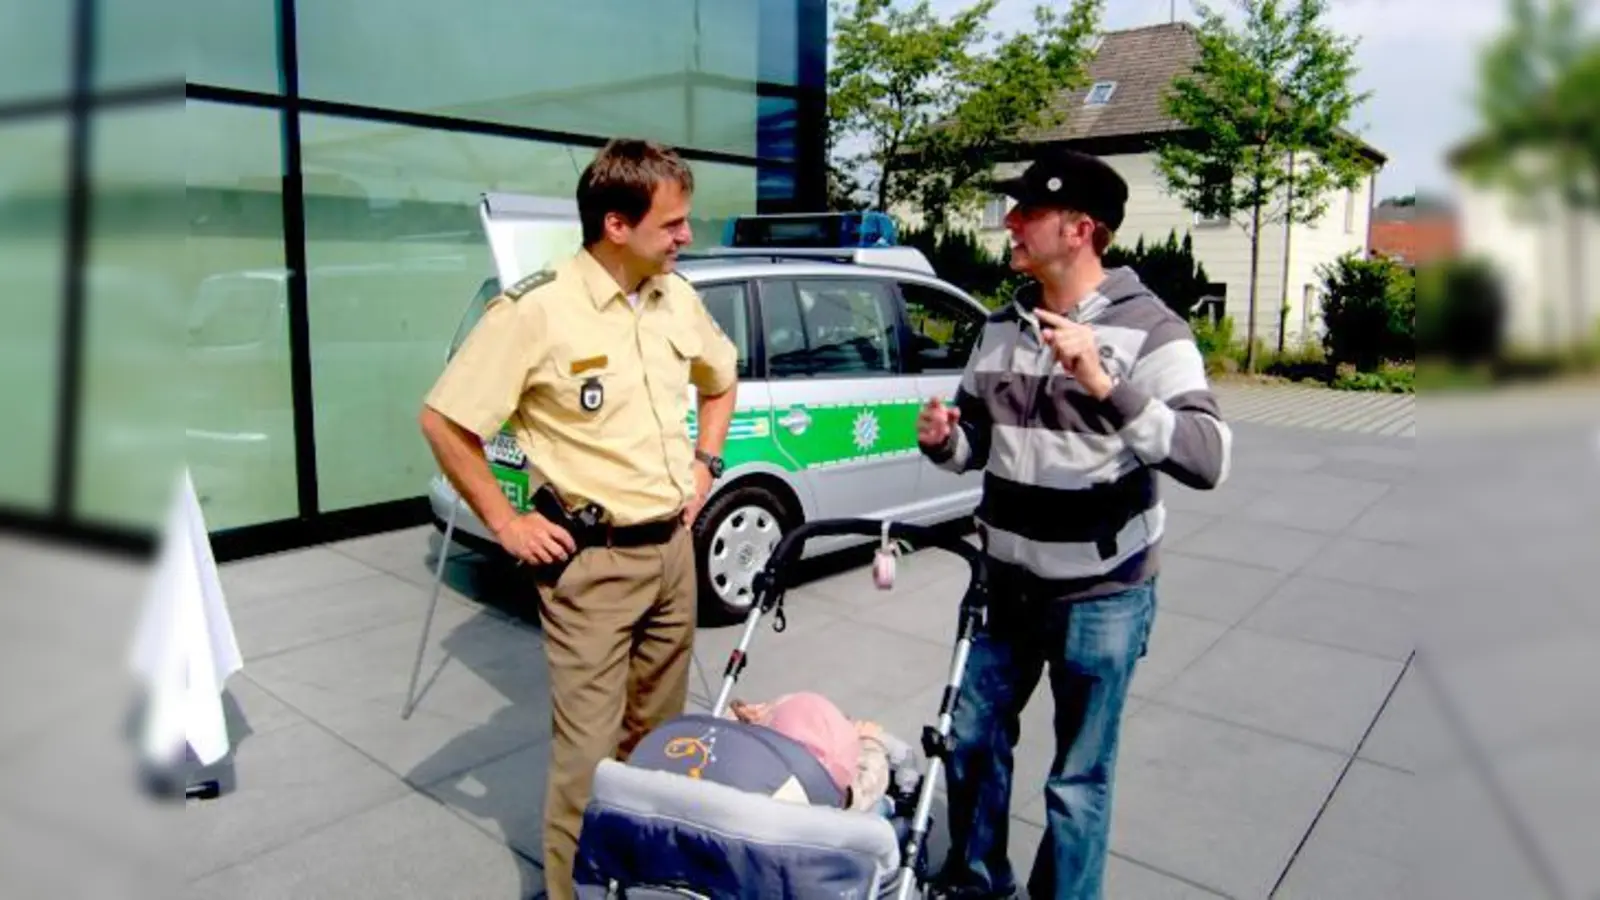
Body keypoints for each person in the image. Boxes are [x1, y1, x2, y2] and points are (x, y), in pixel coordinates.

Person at [418, 138, 739, 900]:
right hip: (590, 566)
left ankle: (642, 881)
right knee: (590, 763)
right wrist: (507, 523)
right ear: (616, 225)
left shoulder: (676, 297)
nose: (687, 237)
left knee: (658, 747)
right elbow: (444, 421)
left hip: (671, 553)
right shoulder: (537, 311)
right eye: (674, 224)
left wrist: (706, 466)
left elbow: (721, 381)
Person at [918, 148, 1232, 900]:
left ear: (1082, 229)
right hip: (1004, 590)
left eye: (1028, 211)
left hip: (1102, 596)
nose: (1010, 222)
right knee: (970, 742)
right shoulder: (1001, 326)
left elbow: (1207, 455)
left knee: (1079, 780)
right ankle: (976, 883)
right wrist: (944, 443)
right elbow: (979, 445)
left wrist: (1102, 382)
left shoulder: (1154, 332)